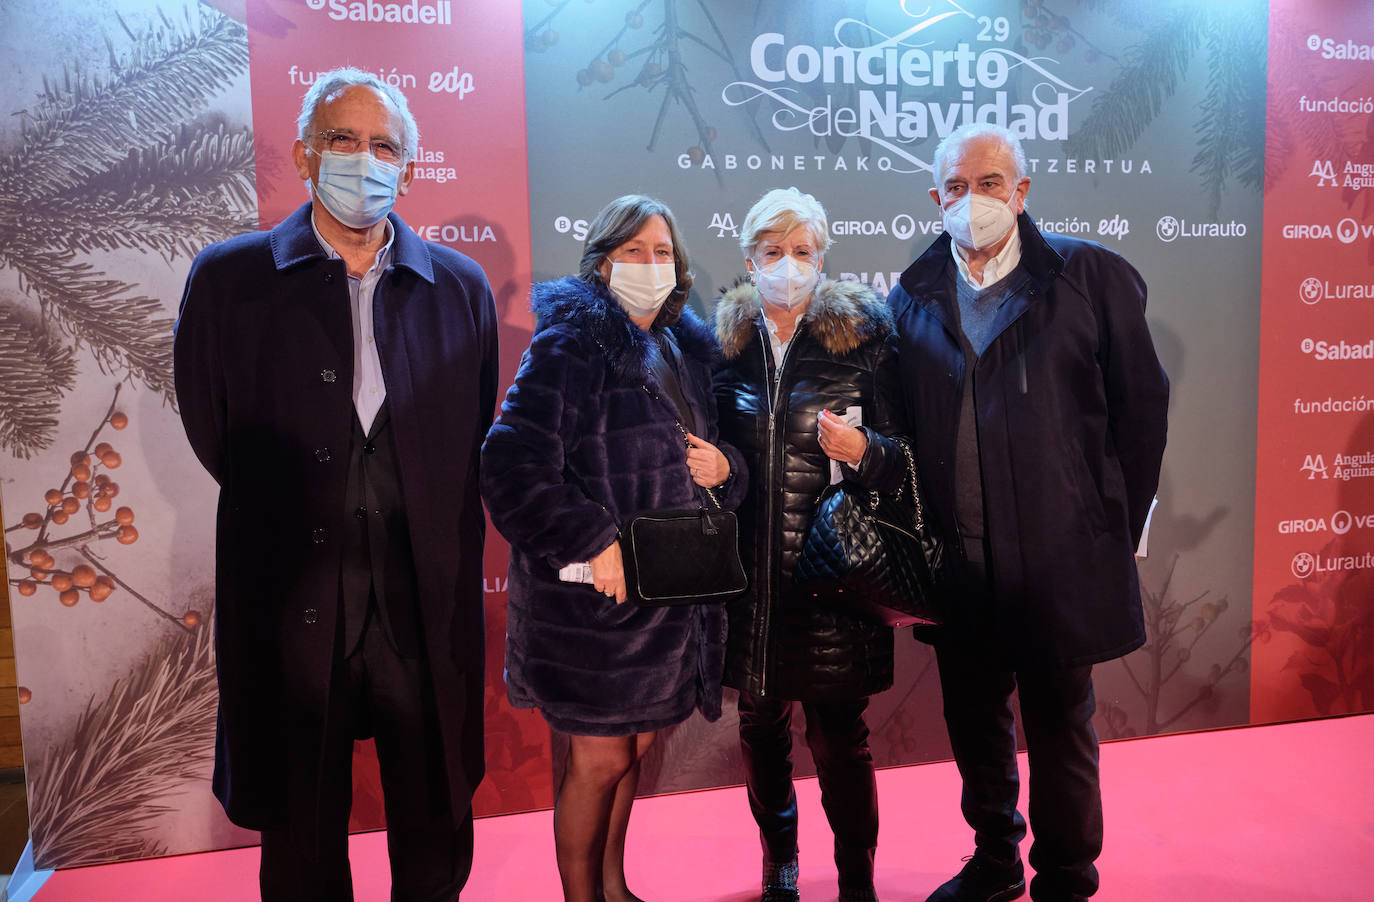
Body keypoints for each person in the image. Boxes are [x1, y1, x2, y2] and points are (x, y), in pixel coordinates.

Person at [174, 67, 497, 901]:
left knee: (434, 833)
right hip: (291, 602)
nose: (365, 158)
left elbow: (466, 440)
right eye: (343, 140)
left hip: (421, 610)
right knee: (302, 840)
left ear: (411, 169)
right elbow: (216, 433)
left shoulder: (458, 288)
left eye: (384, 144)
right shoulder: (228, 279)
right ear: (304, 155)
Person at [887, 123, 1169, 902]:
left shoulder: (1089, 275)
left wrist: (1108, 519)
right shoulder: (912, 295)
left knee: (1060, 731)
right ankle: (995, 860)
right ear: (935, 196)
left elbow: (1141, 410)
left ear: (1022, 191)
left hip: (1056, 561)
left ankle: (1067, 878)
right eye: (955, 187)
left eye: (988, 183)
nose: (971, 201)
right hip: (958, 567)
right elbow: (900, 427)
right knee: (976, 728)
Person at [480, 195, 745, 902]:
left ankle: (613, 886)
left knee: (632, 751)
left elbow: (705, 460)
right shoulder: (570, 344)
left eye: (662, 252)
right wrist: (594, 541)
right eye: (634, 251)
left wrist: (728, 467)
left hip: (664, 605)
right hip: (592, 609)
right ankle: (582, 897)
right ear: (602, 264)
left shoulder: (681, 350)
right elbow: (510, 466)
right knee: (597, 761)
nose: (650, 265)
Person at [712, 187, 909, 902]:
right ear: (748, 260)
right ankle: (781, 863)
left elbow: (905, 461)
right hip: (751, 584)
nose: (787, 266)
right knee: (761, 730)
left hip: (834, 578)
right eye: (772, 252)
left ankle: (856, 873)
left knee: (839, 739)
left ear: (824, 258)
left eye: (802, 251)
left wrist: (866, 449)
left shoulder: (866, 343)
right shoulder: (725, 353)